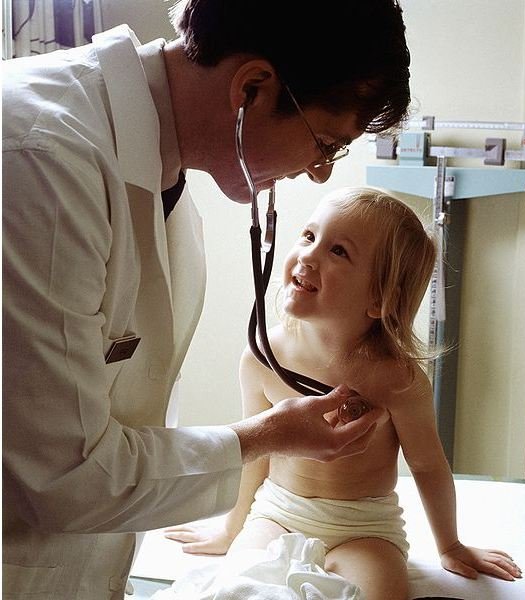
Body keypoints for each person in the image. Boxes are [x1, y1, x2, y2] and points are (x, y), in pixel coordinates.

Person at [2, 1, 412, 598]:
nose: (321, 173)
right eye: (326, 142)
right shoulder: (43, 163)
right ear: (252, 89)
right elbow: (62, 476)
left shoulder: (155, 177)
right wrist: (264, 436)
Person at [164, 187, 523, 599]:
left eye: (339, 252)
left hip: (364, 528)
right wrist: (232, 528)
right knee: (239, 588)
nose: (309, 255)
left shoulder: (396, 379)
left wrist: (451, 545)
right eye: (308, 236)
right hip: (278, 515)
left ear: (380, 299)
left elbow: (428, 466)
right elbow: (256, 452)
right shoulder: (263, 356)